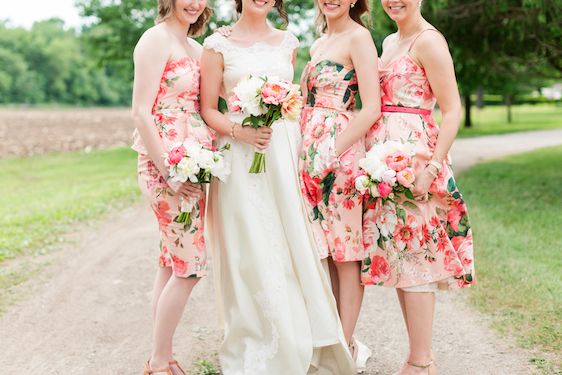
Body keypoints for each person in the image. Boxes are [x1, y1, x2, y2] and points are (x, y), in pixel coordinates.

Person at [200, 0, 355, 373]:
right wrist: (242, 132)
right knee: (247, 245)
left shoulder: (289, 41)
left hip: (284, 151)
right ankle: (254, 335)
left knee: (290, 242)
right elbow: (209, 109)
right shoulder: (216, 45)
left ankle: (302, 335)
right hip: (239, 155)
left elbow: (293, 103)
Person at [362, 1, 476, 374]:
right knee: (402, 261)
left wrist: (432, 166)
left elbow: (453, 109)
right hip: (385, 164)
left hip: (415, 161)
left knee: (419, 260)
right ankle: (419, 357)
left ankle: (420, 360)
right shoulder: (389, 41)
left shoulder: (428, 41)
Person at [131, 0, 213, 373]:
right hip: (165, 167)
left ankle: (160, 354)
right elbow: (141, 112)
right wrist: (169, 171)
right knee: (190, 266)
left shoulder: (196, 47)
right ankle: (159, 361)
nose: (195, 3)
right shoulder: (154, 39)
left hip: (193, 168)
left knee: (171, 261)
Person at [298, 0, 380, 372]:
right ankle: (330, 339)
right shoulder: (318, 42)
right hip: (308, 152)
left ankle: (344, 346)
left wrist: (332, 149)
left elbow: (371, 107)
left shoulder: (359, 38)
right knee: (324, 251)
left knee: (346, 253)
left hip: (340, 155)